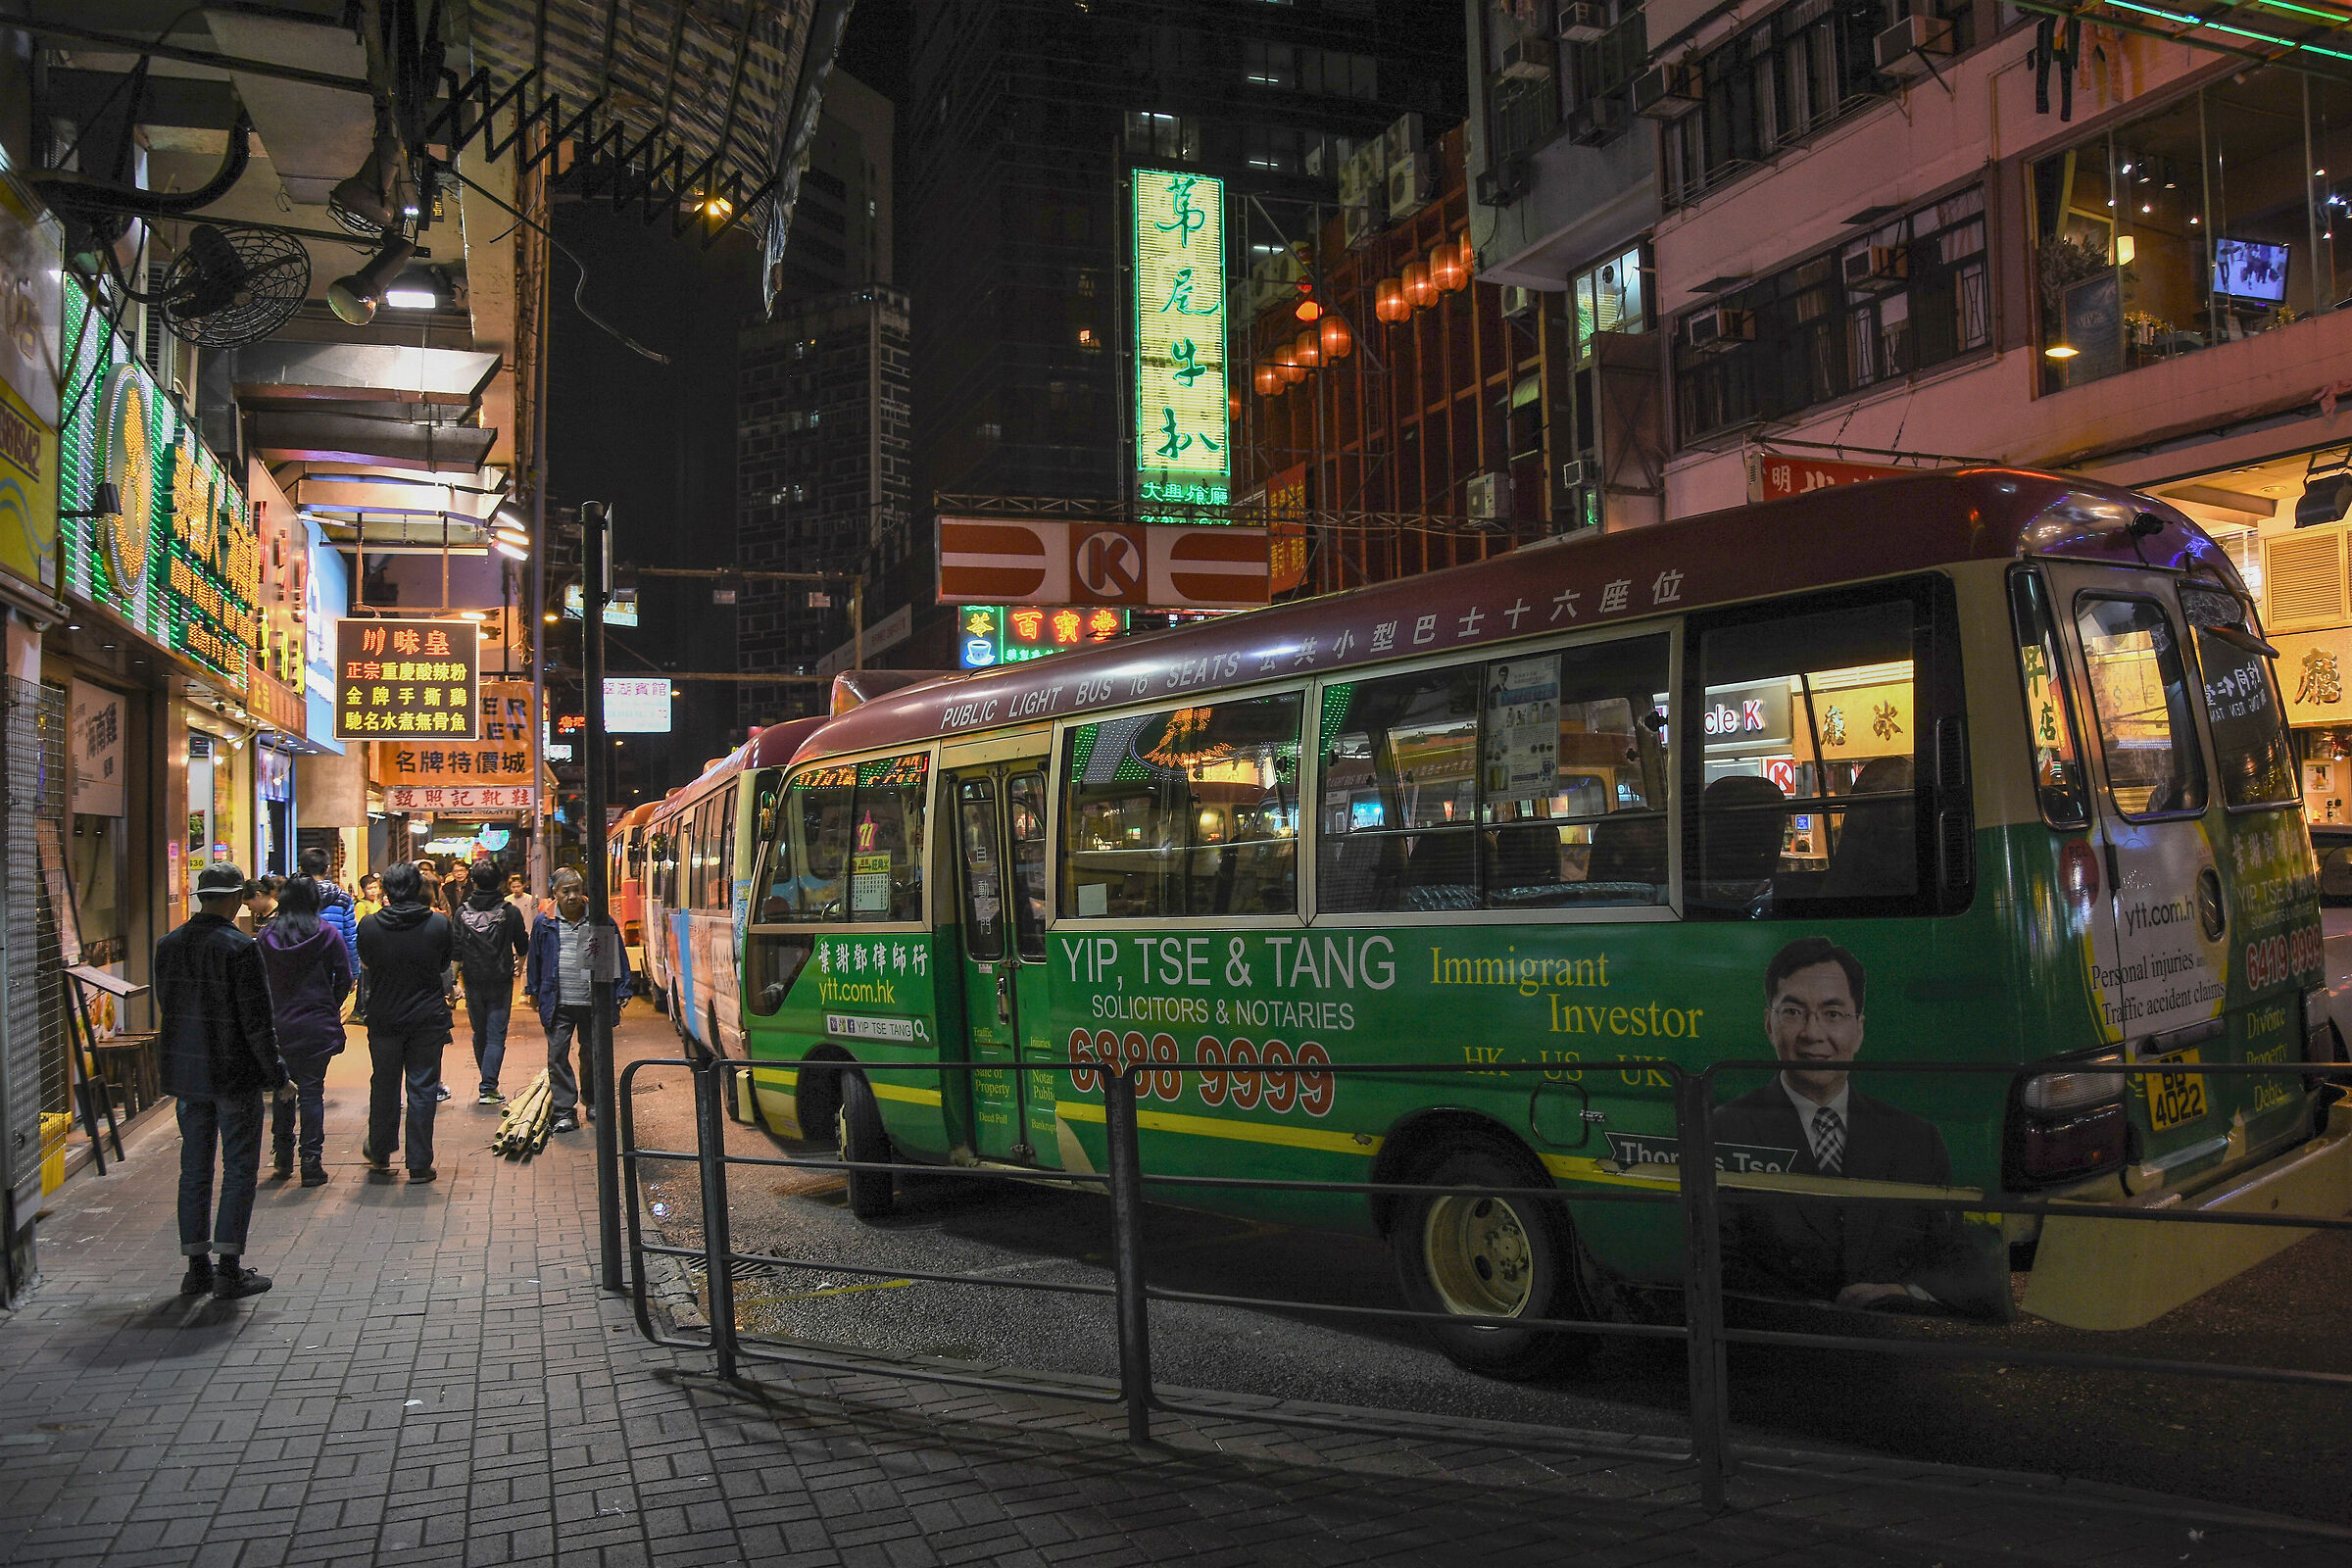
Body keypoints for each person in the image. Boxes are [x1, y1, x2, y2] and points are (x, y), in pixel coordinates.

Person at [1713, 937, 2007, 1319]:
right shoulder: (1725, 1128)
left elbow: (1957, 1258)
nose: (1813, 1034)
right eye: (1793, 1012)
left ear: (1860, 1029)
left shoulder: (1917, 1139)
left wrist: (1905, 1293)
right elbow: (1719, 1259)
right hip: (1780, 1347)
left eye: (1833, 1014)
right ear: (1769, 1024)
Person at [155, 862, 289, 1299]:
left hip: (188, 1076)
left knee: (193, 1169)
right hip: (233, 1075)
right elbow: (257, 1022)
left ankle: (196, 1268)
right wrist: (278, 1077)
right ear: (234, 899)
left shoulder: (167, 946)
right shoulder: (240, 948)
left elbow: (169, 1007)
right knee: (238, 1169)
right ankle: (229, 1269)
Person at [354, 861, 456, 1181]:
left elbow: (366, 964)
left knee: (383, 1085)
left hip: (384, 1018)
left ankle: (381, 1154)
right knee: (423, 1087)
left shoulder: (369, 925)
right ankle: (420, 1163)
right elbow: (442, 965)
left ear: (386, 890)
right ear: (417, 887)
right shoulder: (439, 924)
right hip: (427, 1017)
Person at [257, 875, 353, 1186]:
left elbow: (256, 979)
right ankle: (311, 1161)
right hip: (316, 1025)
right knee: (312, 1093)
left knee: (281, 1090)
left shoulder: (266, 935)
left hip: (277, 1025)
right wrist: (330, 1002)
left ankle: (282, 1157)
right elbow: (345, 975)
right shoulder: (326, 933)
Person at [523, 868, 632, 1134]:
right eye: (565, 891)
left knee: (592, 1053)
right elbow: (535, 959)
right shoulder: (544, 922)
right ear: (556, 895)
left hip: (592, 1003)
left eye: (575, 890)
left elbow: (616, 956)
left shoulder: (598, 920)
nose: (572, 896)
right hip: (558, 1001)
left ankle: (593, 1100)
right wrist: (533, 990)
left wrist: (621, 989)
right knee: (557, 1053)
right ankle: (563, 1110)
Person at [452, 859, 529, 1104]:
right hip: (501, 979)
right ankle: (488, 1087)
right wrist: (520, 964)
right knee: (496, 1035)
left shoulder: (462, 912)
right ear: (499, 882)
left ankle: (487, 1082)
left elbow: (455, 950)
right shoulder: (509, 911)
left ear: (473, 881)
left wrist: (452, 982)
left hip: (472, 980)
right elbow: (523, 944)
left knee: (480, 1033)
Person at [299, 846, 359, 958]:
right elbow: (350, 938)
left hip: (302, 965)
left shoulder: (293, 896)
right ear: (328, 869)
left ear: (300, 869)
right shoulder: (343, 898)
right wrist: (353, 971)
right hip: (335, 964)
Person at [351, 873, 382, 1024]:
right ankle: (360, 1011)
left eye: (375, 887)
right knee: (365, 982)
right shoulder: (361, 905)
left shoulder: (378, 904)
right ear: (363, 889)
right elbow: (359, 926)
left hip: (377, 948)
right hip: (365, 948)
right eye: (369, 888)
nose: (373, 891)